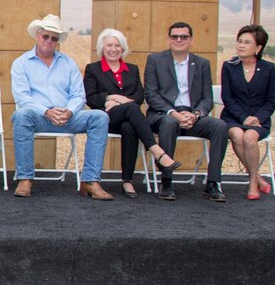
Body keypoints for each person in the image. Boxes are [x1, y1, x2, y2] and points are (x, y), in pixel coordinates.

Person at [11, 14, 112, 200]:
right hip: (38, 116)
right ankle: (25, 178)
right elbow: (22, 97)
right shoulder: (21, 63)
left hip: (67, 116)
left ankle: (90, 181)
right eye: (45, 36)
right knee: (21, 115)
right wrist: (46, 112)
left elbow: (79, 95)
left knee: (100, 117)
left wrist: (69, 111)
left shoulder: (68, 63)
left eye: (54, 38)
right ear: (37, 36)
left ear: (58, 41)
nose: (49, 41)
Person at [83, 28, 180, 198]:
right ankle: (157, 151)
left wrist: (120, 101)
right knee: (132, 108)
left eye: (117, 45)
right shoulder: (93, 69)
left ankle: (127, 180)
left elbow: (139, 95)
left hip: (129, 118)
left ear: (123, 48)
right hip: (105, 118)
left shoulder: (132, 69)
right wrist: (111, 98)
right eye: (109, 45)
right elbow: (90, 98)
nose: (113, 49)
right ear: (102, 48)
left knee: (129, 126)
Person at [145, 21, 230, 202]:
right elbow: (151, 96)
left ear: (191, 40)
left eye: (184, 37)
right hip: (164, 115)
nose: (179, 40)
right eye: (175, 36)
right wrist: (174, 114)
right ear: (169, 39)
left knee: (221, 126)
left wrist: (197, 114)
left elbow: (207, 98)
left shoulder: (202, 64)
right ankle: (166, 181)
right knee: (169, 124)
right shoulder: (155, 60)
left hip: (193, 116)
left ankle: (213, 183)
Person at [221, 24, 275, 200]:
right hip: (233, 117)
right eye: (239, 41)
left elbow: (271, 100)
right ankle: (257, 179)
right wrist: (243, 118)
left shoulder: (268, 68)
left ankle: (253, 181)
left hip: (259, 120)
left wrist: (257, 118)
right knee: (238, 135)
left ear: (258, 47)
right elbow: (227, 98)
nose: (241, 45)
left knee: (250, 137)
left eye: (247, 42)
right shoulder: (229, 66)